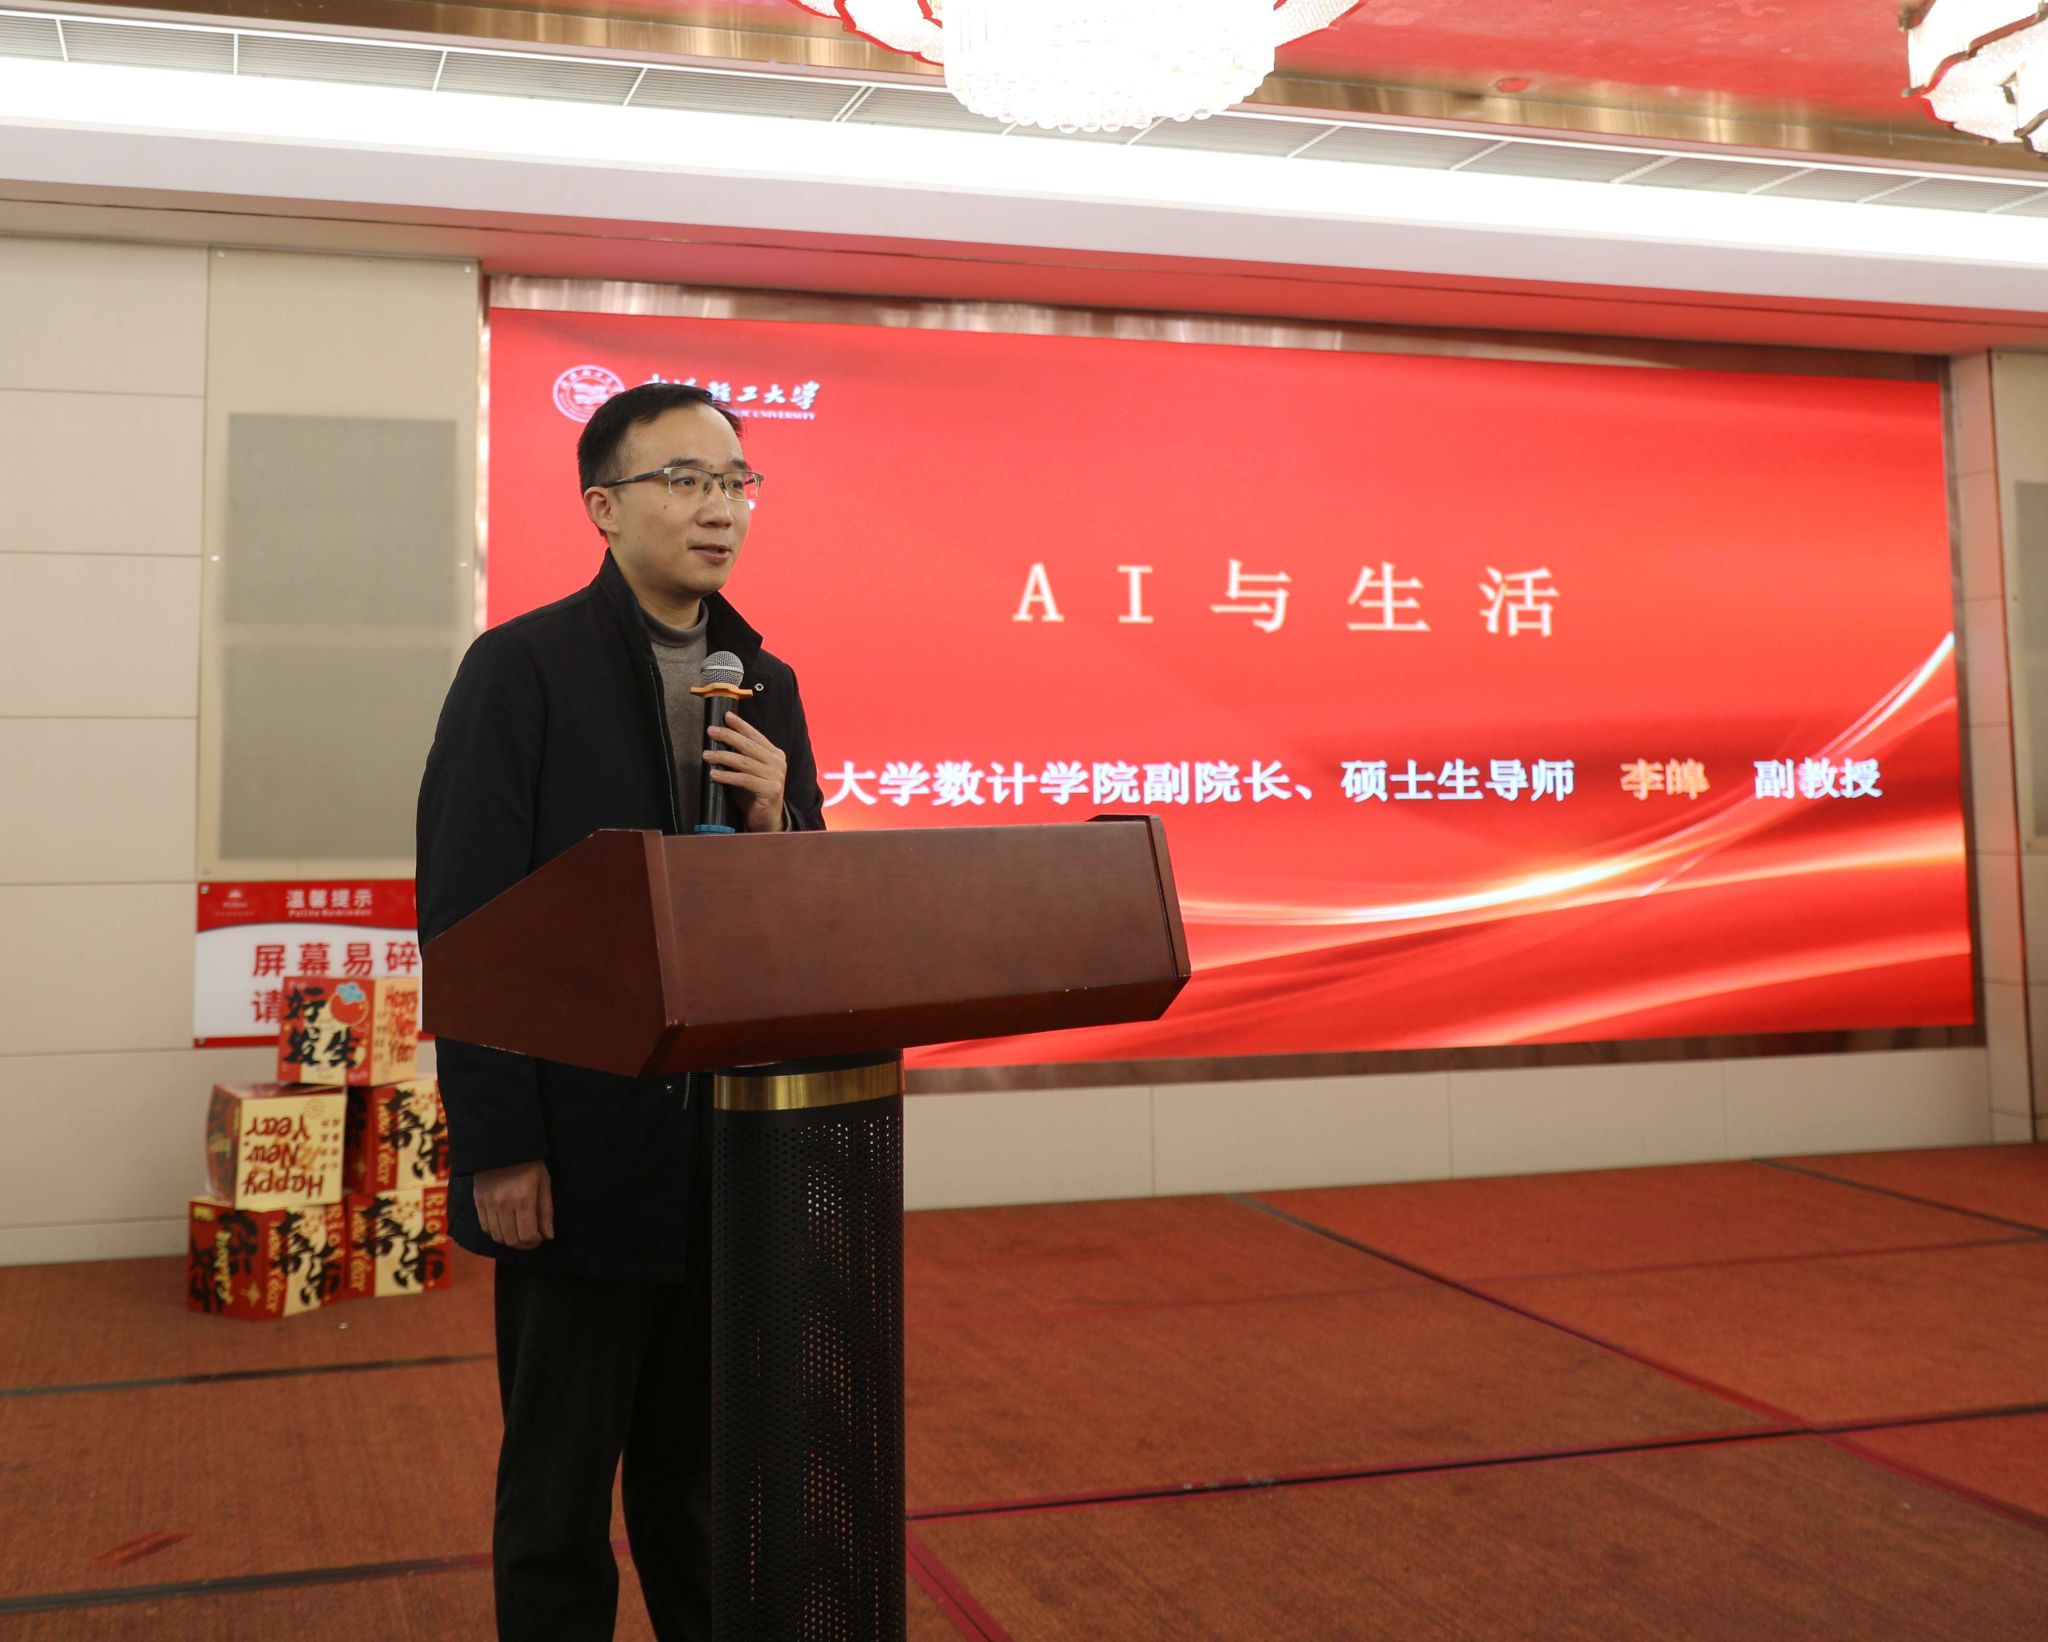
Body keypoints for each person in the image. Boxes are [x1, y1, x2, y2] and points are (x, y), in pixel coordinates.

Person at [416, 380, 825, 1641]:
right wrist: (499, 1143)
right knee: (557, 1494)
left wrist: (779, 819)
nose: (719, 509)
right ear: (602, 507)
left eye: (736, 481)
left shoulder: (763, 684)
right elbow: (471, 919)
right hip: (578, 1145)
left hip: (721, 1155)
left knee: (699, 1487)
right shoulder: (522, 670)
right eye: (683, 480)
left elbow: (807, 920)